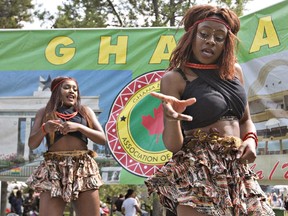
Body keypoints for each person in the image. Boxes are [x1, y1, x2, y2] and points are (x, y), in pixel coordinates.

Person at [145, 4, 275, 216]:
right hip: (199, 168)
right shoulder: (175, 78)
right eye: (204, 34)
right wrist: (171, 118)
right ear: (192, 37)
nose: (211, 41)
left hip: (236, 167)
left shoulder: (235, 72)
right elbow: (174, 146)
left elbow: (245, 120)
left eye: (219, 37)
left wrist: (251, 140)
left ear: (226, 43)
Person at [26, 76, 106, 216]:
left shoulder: (85, 111)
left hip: (83, 168)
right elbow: (32, 143)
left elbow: (102, 139)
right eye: (67, 87)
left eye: (75, 89)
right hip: (53, 169)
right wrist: (45, 128)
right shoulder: (44, 113)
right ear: (57, 91)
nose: (72, 92)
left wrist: (80, 127)